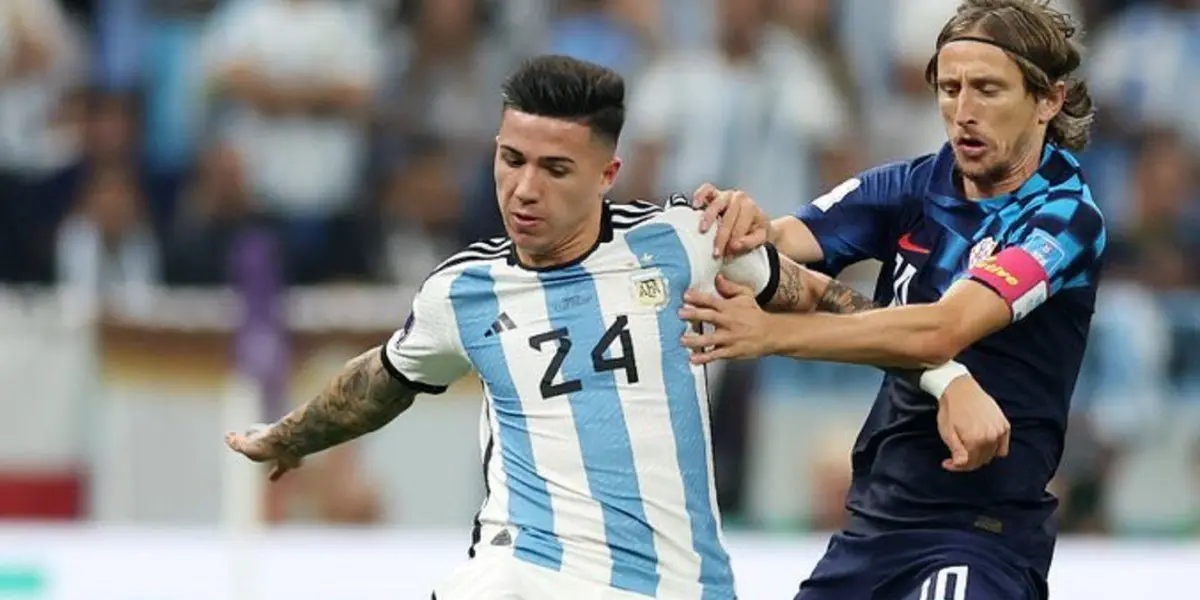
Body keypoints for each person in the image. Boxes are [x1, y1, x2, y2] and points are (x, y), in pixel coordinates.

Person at [224, 55, 996, 599]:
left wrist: (948, 376)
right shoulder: (462, 291)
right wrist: (291, 437)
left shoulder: (688, 241)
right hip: (522, 575)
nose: (523, 189)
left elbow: (828, 302)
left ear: (607, 175)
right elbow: (385, 379)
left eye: (554, 169)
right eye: (510, 159)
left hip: (676, 585)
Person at [679, 1, 1106, 599]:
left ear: (1048, 101)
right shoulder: (911, 185)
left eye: (988, 90)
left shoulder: (1063, 218)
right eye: (950, 89)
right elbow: (777, 246)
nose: (964, 112)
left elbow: (939, 330)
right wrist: (742, 224)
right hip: (877, 522)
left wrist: (773, 335)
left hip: (981, 532)